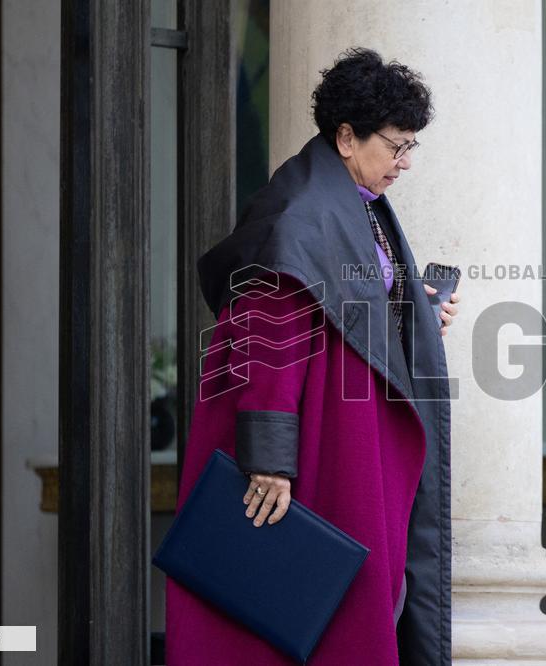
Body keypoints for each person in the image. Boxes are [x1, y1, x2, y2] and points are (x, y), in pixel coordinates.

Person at [165, 47, 460, 665]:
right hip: (320, 446)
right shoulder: (303, 214)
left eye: (412, 148)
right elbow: (267, 336)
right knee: (321, 615)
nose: (404, 164)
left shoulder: (355, 202)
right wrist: (270, 461)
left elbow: (350, 306)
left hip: (349, 431)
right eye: (395, 146)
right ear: (346, 136)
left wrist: (415, 314)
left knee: (346, 606)